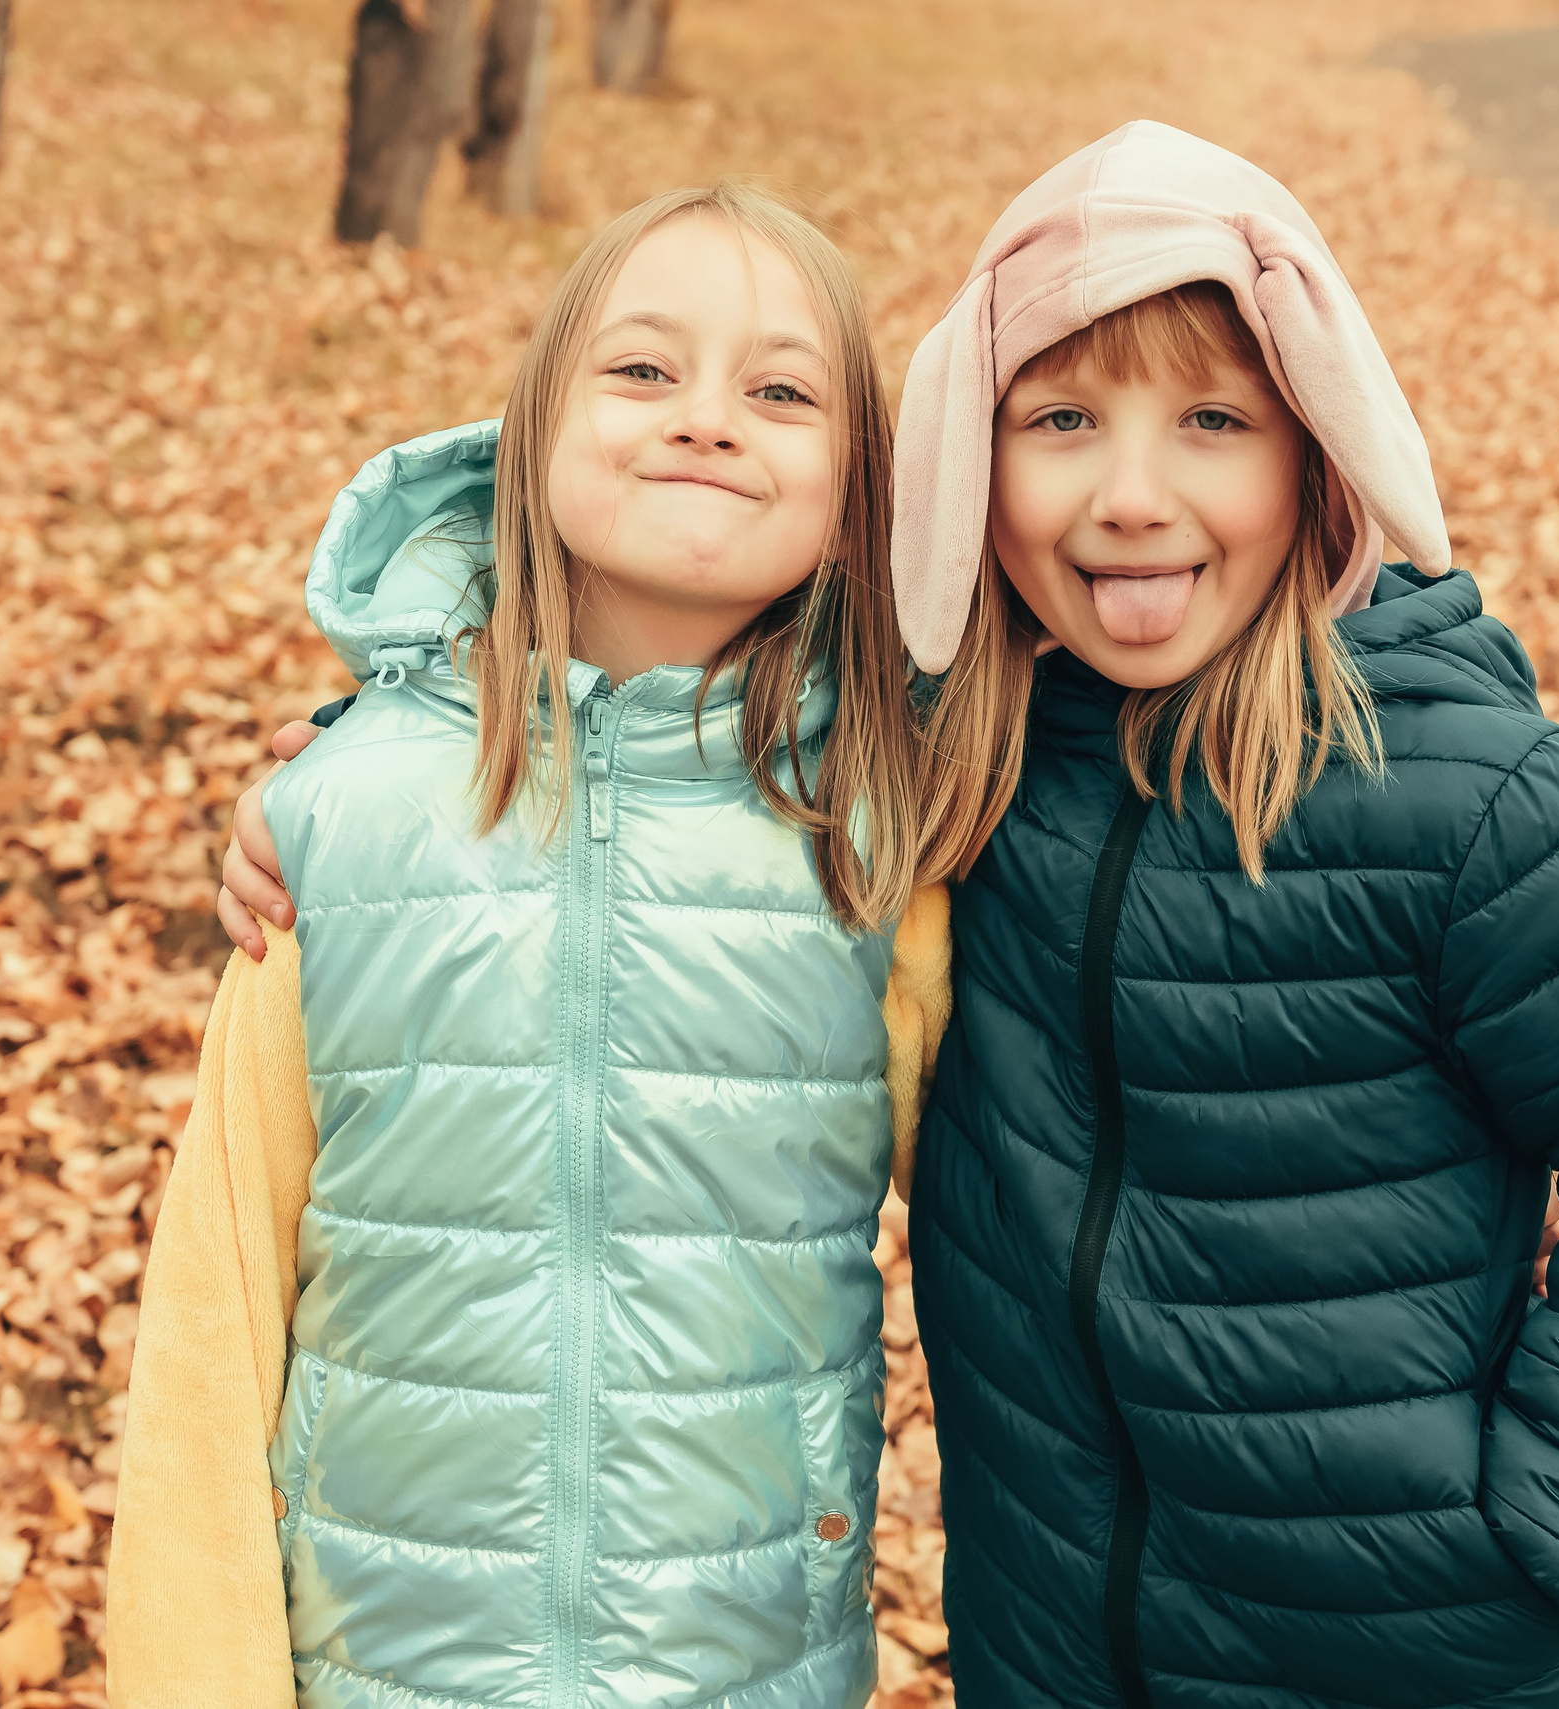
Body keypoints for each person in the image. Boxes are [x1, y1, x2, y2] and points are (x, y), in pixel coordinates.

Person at [889, 122, 1559, 1708]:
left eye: (1209, 419)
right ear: (971, 463)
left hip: (1421, 1655)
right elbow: (658, 689)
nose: (1130, 495)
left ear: (1315, 451)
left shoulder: (1467, 801)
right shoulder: (957, 765)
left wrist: (1555, 1521)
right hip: (1063, 1643)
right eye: (1060, 418)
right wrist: (349, 760)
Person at [104, 180, 949, 1709]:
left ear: (858, 493)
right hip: (377, 1668)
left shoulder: (886, 843)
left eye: (779, 391)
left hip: (743, 1665)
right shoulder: (344, 821)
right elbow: (214, 1303)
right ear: (530, 432)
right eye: (641, 370)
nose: (705, 418)